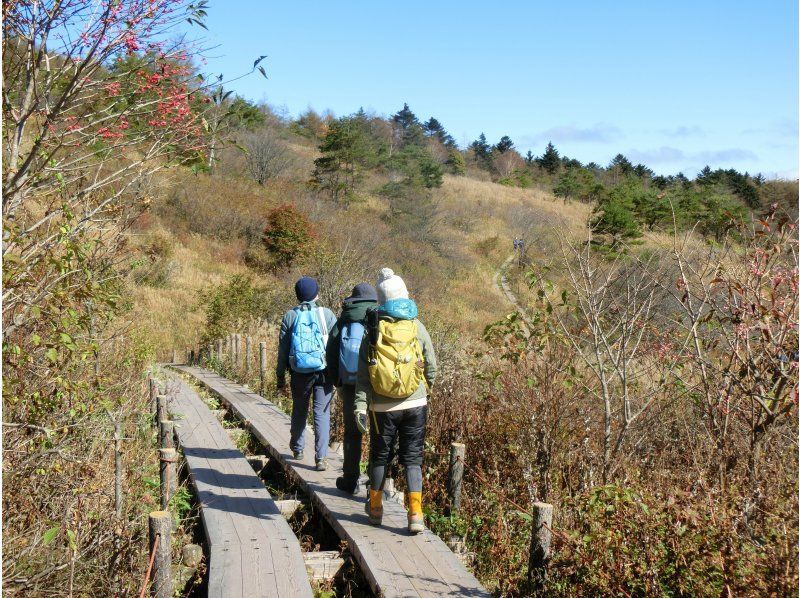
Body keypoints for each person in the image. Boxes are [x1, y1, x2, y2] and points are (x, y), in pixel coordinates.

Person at [354, 268, 437, 534]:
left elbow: (364, 376)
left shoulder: (373, 329)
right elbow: (432, 366)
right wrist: (425, 390)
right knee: (413, 459)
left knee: (379, 457)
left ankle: (376, 509)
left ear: (381, 299)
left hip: (381, 407)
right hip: (415, 404)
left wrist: (359, 406)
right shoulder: (417, 326)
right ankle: (415, 514)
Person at [276, 276, 337, 471]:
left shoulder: (290, 316)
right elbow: (335, 347)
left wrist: (280, 376)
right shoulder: (327, 315)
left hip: (299, 372)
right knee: (321, 413)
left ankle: (298, 448)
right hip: (324, 371)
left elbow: (283, 350)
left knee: (299, 410)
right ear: (316, 294)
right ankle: (321, 458)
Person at [325, 283, 379, 494]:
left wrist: (336, 379)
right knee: (377, 434)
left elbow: (331, 351)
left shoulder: (344, 319)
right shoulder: (378, 316)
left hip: (349, 384)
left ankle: (350, 480)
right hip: (375, 384)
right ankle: (374, 486)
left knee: (352, 434)